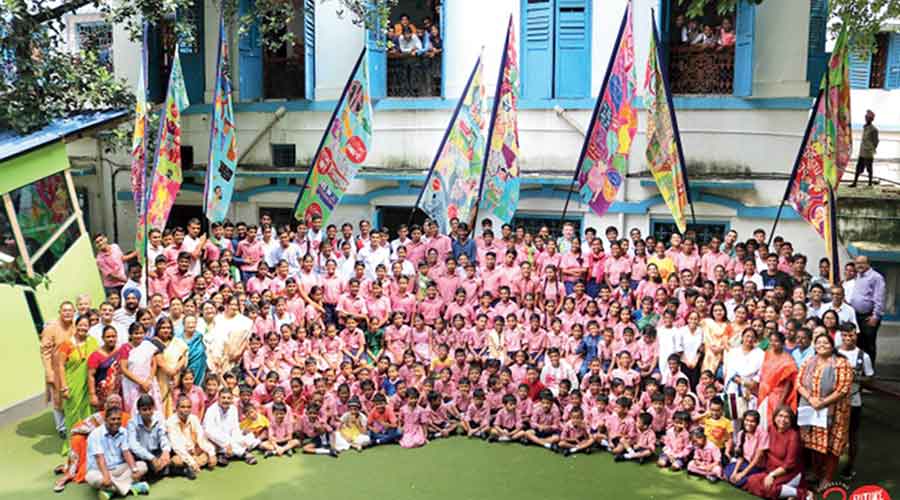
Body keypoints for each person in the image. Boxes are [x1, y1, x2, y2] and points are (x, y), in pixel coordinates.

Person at [796, 334, 853, 491]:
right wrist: (811, 399)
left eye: (825, 342)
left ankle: (827, 478)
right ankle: (815, 472)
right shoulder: (809, 361)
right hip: (811, 409)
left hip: (835, 412)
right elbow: (798, 382)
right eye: (818, 342)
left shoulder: (841, 363)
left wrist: (822, 402)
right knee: (813, 443)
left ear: (832, 344)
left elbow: (843, 388)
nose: (822, 345)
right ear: (814, 345)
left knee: (831, 446)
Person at [85, 406, 149, 498]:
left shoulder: (123, 431)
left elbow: (126, 453)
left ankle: (110, 490)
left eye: (118, 419)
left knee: (142, 466)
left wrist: (134, 470)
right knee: (91, 478)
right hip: (100, 470)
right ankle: (130, 488)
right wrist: (106, 477)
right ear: (105, 419)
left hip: (119, 468)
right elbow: (100, 459)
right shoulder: (95, 434)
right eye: (113, 419)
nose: (116, 422)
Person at [57, 315, 100, 452]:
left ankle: (89, 442)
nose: (83, 327)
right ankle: (74, 446)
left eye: (86, 325)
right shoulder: (67, 344)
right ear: (75, 326)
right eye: (80, 325)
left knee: (89, 412)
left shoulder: (92, 341)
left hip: (89, 383)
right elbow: (60, 366)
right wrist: (64, 387)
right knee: (73, 414)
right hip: (73, 385)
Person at [836, 324, 874, 480]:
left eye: (851, 335)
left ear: (856, 335)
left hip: (854, 400)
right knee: (833, 434)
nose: (848, 338)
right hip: (835, 401)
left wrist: (855, 377)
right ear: (841, 335)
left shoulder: (863, 356)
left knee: (852, 435)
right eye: (845, 335)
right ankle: (828, 467)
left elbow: (870, 378)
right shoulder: (835, 352)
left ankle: (849, 467)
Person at [42, 301, 77, 438]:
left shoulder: (76, 325)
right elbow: (45, 352)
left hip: (73, 367)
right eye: (65, 310)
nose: (67, 313)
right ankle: (61, 426)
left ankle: (74, 423)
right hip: (56, 368)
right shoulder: (51, 328)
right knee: (58, 398)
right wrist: (48, 372)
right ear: (60, 312)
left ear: (74, 313)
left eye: (70, 311)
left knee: (72, 394)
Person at [203, 388, 260, 465]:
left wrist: (240, 440)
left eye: (228, 398)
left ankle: (225, 455)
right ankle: (244, 454)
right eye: (223, 398)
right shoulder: (211, 410)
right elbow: (209, 431)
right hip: (215, 439)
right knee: (220, 445)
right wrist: (226, 443)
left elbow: (235, 428)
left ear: (232, 399)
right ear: (218, 398)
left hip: (230, 438)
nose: (226, 400)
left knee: (249, 437)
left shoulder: (233, 408)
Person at [167, 395, 217, 478]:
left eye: (188, 407)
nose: (186, 410)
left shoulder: (194, 418)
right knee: (176, 461)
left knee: (209, 451)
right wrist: (192, 462)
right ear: (176, 408)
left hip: (195, 452)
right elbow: (177, 447)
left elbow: (202, 439)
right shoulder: (171, 422)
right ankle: (191, 466)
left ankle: (187, 469)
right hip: (180, 454)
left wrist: (212, 454)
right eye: (182, 407)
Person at [848, 256, 885, 364]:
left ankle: (869, 372)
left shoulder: (876, 277)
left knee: (869, 345)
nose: (859, 265)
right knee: (859, 343)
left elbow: (880, 298)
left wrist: (875, 316)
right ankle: (860, 368)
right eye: (857, 263)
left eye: (862, 263)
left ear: (868, 264)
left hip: (868, 316)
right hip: (856, 315)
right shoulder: (859, 276)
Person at [127, 395, 173, 480]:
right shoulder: (132, 423)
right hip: (142, 455)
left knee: (170, 460)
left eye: (150, 409)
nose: (148, 412)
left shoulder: (159, 416)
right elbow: (133, 446)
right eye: (144, 410)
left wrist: (166, 451)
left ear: (153, 408)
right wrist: (151, 458)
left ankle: (159, 470)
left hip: (157, 452)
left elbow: (163, 435)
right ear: (138, 410)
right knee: (144, 467)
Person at [757, 331, 798, 427]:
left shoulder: (788, 360)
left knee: (773, 422)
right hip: (763, 393)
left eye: (776, 341)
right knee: (762, 422)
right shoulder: (767, 354)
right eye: (771, 341)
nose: (773, 343)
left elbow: (789, 383)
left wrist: (781, 401)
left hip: (777, 395)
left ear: (783, 343)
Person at [849, 110, 879, 187]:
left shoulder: (874, 129)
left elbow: (876, 141)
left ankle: (869, 183)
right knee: (858, 167)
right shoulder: (865, 127)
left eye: (868, 117)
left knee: (869, 168)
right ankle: (855, 183)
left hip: (868, 152)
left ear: (871, 119)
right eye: (866, 117)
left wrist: (871, 148)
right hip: (862, 151)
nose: (866, 118)